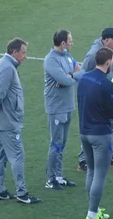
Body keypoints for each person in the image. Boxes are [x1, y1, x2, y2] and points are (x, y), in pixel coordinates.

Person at [0, 38, 42, 204]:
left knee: (0, 157)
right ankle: (22, 194)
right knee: (17, 156)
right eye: (23, 53)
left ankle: (0, 191)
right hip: (8, 122)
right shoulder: (7, 68)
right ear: (14, 52)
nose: (25, 57)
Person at [77, 47, 113, 219]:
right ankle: (92, 215)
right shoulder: (106, 83)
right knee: (99, 174)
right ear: (108, 62)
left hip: (84, 132)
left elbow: (91, 97)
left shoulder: (84, 78)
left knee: (91, 171)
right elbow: (111, 112)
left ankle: (95, 209)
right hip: (100, 135)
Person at [78, 27, 113, 171]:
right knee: (92, 128)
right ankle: (83, 159)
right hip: (97, 95)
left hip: (110, 91)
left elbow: (112, 72)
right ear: (105, 40)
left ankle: (109, 155)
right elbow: (84, 73)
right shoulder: (94, 54)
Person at [44, 30, 82, 190]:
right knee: (56, 143)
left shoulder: (66, 56)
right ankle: (50, 179)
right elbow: (65, 80)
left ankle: (58, 176)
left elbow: (79, 71)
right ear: (63, 43)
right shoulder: (50, 60)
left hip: (67, 106)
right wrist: (69, 77)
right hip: (56, 108)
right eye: (70, 40)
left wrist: (69, 77)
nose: (72, 43)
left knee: (62, 143)